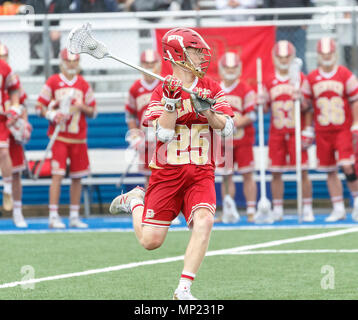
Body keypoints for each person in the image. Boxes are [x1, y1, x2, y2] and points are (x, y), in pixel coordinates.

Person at [109, 27, 234, 300]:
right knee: (150, 241)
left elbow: (227, 129)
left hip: (201, 171)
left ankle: (183, 289)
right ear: (178, 55)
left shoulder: (211, 87)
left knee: (205, 221)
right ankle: (135, 201)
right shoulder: (161, 90)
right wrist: (169, 104)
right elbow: (163, 134)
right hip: (168, 173)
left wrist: (207, 111)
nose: (202, 56)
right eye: (195, 51)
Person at [36, 48, 97, 229]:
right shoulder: (53, 81)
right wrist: (51, 114)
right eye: (69, 61)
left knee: (77, 177)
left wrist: (82, 106)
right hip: (59, 137)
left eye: (74, 61)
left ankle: (74, 215)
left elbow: (93, 111)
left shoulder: (84, 84)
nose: (71, 65)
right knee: (58, 175)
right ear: (62, 62)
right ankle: (53, 215)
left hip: (78, 138)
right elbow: (39, 106)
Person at [305, 37, 358, 222]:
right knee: (329, 170)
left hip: (342, 128)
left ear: (334, 54)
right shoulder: (311, 77)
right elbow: (308, 106)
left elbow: (355, 100)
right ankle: (338, 207)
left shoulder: (345, 74)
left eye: (329, 53)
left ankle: (356, 202)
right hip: (322, 130)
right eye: (323, 54)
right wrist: (308, 129)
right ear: (319, 55)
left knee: (348, 166)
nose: (326, 57)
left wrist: (356, 123)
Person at [263, 40, 314, 222]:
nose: (283, 60)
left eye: (287, 57)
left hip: (296, 131)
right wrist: (261, 101)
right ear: (274, 58)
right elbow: (264, 110)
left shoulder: (301, 79)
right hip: (277, 131)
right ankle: (278, 209)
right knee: (275, 171)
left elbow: (309, 108)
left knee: (303, 171)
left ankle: (307, 207)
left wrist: (308, 128)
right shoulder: (268, 80)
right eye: (280, 57)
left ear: (292, 57)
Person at [216, 51, 257, 223]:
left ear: (239, 69)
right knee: (226, 175)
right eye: (226, 67)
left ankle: (251, 210)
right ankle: (228, 208)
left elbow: (252, 115)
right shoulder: (214, 89)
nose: (230, 70)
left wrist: (233, 123)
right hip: (223, 141)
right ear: (221, 68)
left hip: (242, 139)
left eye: (233, 67)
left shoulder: (246, 90)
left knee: (247, 174)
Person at [0, 42, 31, 228]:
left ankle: (17, 211)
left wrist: (21, 119)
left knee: (17, 170)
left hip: (8, 123)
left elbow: (20, 100)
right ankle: (8, 190)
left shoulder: (9, 73)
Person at [125, 49, 161, 188]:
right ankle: (152, 207)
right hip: (146, 138)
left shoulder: (165, 84)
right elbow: (130, 114)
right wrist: (135, 135)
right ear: (141, 65)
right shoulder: (135, 88)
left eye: (152, 63)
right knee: (149, 177)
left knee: (168, 175)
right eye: (146, 63)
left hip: (165, 138)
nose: (149, 66)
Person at [262, 0, 314, 74]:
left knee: (300, 59)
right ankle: (279, 82)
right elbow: (267, 4)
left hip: (298, 27)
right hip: (280, 28)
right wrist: (271, 22)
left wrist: (306, 20)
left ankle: (303, 82)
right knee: (280, 57)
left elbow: (310, 3)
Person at [0, 47, 22, 218]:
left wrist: (15, 108)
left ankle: (7, 189)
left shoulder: (4, 68)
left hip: (2, 119)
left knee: (3, 152)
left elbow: (15, 90)